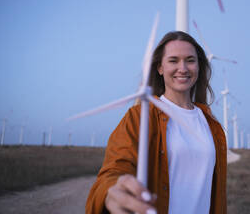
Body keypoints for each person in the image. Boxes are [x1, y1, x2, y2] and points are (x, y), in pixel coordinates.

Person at [86, 31, 227, 214]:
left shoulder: (211, 124)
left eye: (190, 60)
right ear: (160, 68)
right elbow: (116, 167)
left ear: (199, 66)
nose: (183, 68)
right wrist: (112, 190)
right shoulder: (139, 117)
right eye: (173, 60)